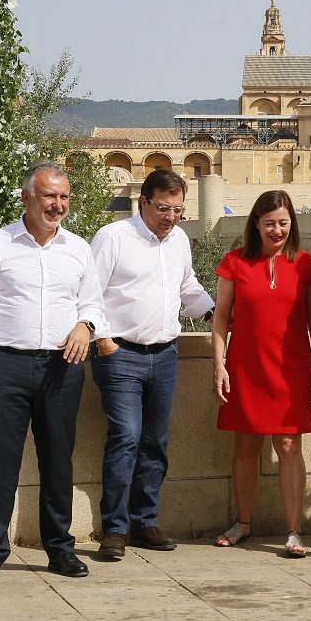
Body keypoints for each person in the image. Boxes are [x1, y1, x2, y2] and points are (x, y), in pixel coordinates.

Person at [0, 160, 106, 589]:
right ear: (27, 197)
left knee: (58, 461)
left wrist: (86, 326)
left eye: (63, 197)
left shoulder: (79, 248)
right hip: (4, 364)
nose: (57, 205)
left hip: (63, 366)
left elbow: (93, 304)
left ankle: (60, 549)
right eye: (49, 196)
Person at [89, 169, 214, 560]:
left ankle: (145, 522)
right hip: (119, 353)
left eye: (178, 209)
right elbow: (88, 291)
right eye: (163, 208)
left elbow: (187, 286)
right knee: (125, 436)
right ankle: (114, 528)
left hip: (165, 355)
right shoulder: (113, 237)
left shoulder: (178, 240)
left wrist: (217, 314)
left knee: (155, 442)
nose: (171, 217)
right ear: (143, 202)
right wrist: (102, 340)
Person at [212, 190, 311, 557]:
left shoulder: (307, 264)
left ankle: (294, 531)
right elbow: (220, 318)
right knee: (246, 445)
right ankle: (242, 523)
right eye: (269, 223)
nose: (276, 229)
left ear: (291, 223)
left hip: (290, 368)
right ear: (256, 225)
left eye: (282, 222)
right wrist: (219, 364)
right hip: (245, 367)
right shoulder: (234, 262)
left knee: (290, 446)